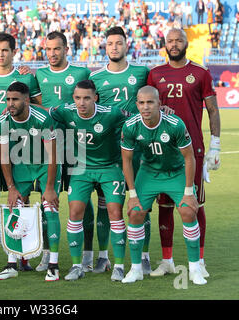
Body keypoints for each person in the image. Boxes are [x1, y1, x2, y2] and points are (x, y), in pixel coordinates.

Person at [147, 28, 221, 278]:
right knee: (165, 205)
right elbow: (147, 108)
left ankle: (199, 261)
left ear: (187, 43)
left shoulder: (200, 73)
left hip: (193, 148)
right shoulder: (155, 74)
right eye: (170, 41)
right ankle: (166, 260)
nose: (174, 44)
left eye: (179, 40)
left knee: (195, 204)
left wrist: (216, 145)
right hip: (163, 149)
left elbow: (212, 109)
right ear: (165, 44)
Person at [120, 85, 207, 285]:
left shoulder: (175, 124)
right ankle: (136, 270)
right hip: (149, 172)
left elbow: (189, 158)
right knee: (135, 212)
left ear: (159, 104)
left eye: (150, 102)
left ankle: (195, 269)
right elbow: (126, 161)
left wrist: (188, 192)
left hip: (176, 172)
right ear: (137, 105)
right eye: (141, 103)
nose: (145, 107)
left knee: (188, 210)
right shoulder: (130, 125)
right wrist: (132, 194)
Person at [49, 80, 131, 282]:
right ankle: (77, 266)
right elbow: (45, 111)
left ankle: (119, 266)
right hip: (81, 169)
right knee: (75, 211)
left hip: (109, 168)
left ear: (95, 98)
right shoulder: (67, 111)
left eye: (86, 98)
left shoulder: (111, 113)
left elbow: (136, 119)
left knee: (115, 212)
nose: (81, 103)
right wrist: (22, 105)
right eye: (77, 98)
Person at [0, 32, 42, 272]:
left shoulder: (25, 78)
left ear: (14, 52)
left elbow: (39, 108)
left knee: (22, 199)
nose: (1, 54)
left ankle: (23, 254)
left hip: (18, 146)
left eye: (6, 50)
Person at [89, 26, 152, 275]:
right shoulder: (95, 78)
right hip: (108, 151)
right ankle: (104, 257)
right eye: (110, 44)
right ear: (105, 47)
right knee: (107, 204)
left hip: (138, 149)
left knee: (141, 203)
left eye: (118, 43)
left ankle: (144, 257)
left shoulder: (141, 72)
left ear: (127, 45)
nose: (114, 47)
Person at [34, 31, 93, 273]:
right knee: (45, 199)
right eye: (48, 49)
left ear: (67, 49)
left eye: (56, 49)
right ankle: (47, 254)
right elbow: (34, 103)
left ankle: (88, 255)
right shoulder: (38, 74)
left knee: (82, 198)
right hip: (47, 143)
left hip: (76, 143)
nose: (52, 54)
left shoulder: (81, 73)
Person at [0, 81, 60, 281]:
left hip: (45, 164)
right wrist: (11, 188)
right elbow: (4, 156)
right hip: (21, 165)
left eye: (15, 99)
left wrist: (49, 187)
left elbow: (53, 156)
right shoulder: (4, 119)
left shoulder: (42, 118)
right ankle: (12, 264)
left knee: (50, 208)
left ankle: (54, 265)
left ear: (26, 100)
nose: (10, 103)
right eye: (7, 99)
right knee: (15, 208)